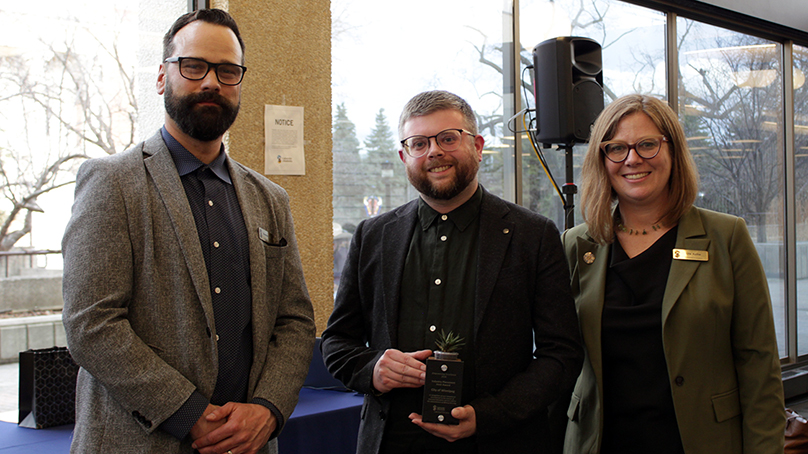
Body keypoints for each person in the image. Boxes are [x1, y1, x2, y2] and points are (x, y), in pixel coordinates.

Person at [61, 9, 316, 454]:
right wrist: (187, 412)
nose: (211, 82)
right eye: (193, 66)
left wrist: (268, 408)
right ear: (162, 77)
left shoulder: (270, 198)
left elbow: (294, 321)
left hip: (249, 444)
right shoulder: (111, 183)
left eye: (227, 70)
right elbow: (92, 323)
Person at [321, 90, 583, 453]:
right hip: (392, 440)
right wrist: (373, 370)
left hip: (498, 439)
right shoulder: (373, 236)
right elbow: (337, 343)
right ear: (404, 156)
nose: (434, 152)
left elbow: (561, 353)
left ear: (477, 145)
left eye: (448, 138)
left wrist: (491, 414)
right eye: (419, 143)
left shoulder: (533, 235)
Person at [561, 94, 784, 453]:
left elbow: (759, 365)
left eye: (647, 144)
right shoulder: (576, 245)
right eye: (616, 148)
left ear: (673, 150)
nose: (632, 159)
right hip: (601, 442)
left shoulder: (726, 237)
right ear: (602, 161)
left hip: (701, 441)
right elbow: (557, 360)